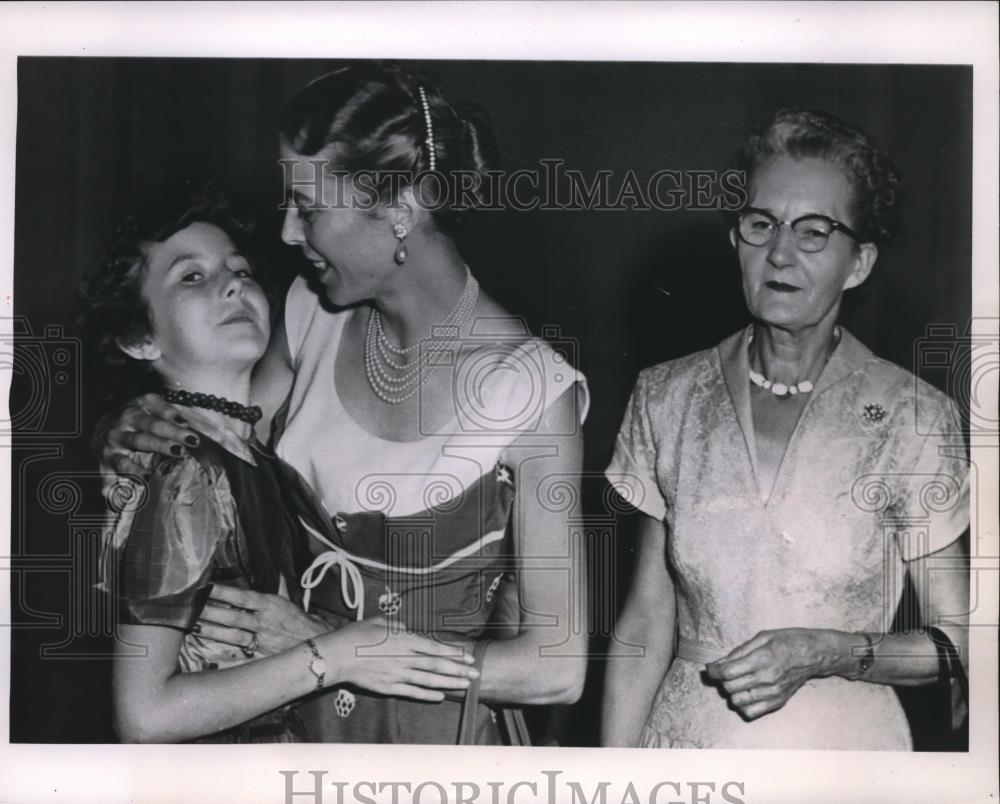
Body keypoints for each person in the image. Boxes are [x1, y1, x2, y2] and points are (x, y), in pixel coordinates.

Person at [99, 64, 589, 744]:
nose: (288, 236)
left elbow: (556, 667)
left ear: (397, 210)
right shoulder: (307, 316)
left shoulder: (531, 389)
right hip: (282, 735)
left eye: (310, 209)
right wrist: (135, 424)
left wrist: (331, 642)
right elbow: (223, 462)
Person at [603, 109, 969, 750]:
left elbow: (956, 644)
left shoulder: (914, 415)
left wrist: (827, 652)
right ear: (736, 240)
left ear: (859, 263)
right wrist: (610, 778)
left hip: (845, 761)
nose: (779, 252)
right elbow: (645, 622)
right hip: (687, 751)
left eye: (813, 232)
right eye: (761, 224)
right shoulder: (666, 396)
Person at [81, 185, 481, 743]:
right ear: (139, 337)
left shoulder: (254, 456)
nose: (232, 285)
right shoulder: (185, 470)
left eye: (240, 270)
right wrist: (332, 656)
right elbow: (145, 716)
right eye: (191, 277)